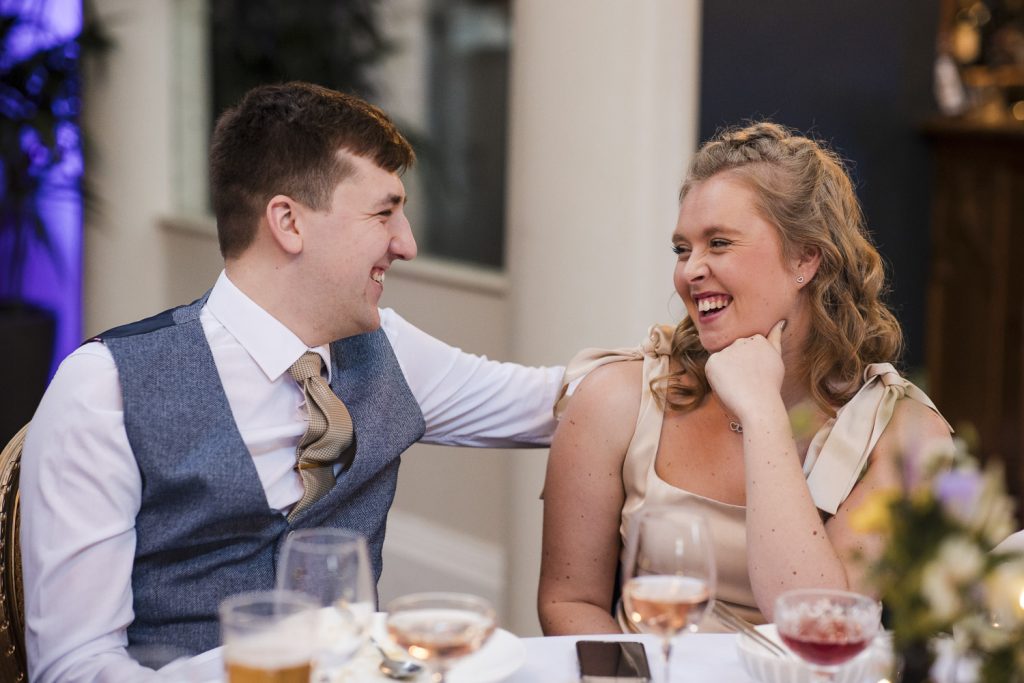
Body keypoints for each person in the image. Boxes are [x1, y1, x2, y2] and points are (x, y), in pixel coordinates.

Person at [21, 82, 563, 682]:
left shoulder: (393, 352)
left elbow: (559, 404)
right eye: (384, 212)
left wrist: (687, 331)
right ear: (288, 222)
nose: (406, 244)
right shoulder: (103, 390)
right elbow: (73, 669)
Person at [537, 122, 953, 635]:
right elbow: (569, 601)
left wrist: (761, 413)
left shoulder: (902, 435)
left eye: (719, 243)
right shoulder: (618, 398)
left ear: (805, 258)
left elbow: (819, 626)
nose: (690, 271)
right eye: (682, 249)